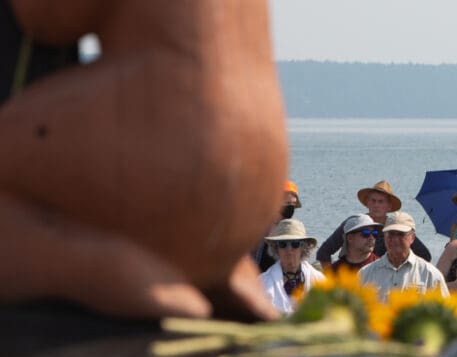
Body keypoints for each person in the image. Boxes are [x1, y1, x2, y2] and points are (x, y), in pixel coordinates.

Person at [0, 0, 285, 320]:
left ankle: (95, 266)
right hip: (258, 170)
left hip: (174, 134)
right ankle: (221, 269)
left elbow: (48, 18)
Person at [319, 180, 431, 268]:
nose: (376, 205)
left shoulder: (395, 228)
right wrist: (332, 278)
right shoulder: (354, 224)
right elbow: (323, 252)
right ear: (367, 203)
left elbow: (425, 255)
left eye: (381, 201)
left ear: (389, 206)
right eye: (373, 201)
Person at [359, 212, 448, 299]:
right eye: (391, 234)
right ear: (384, 236)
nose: (395, 240)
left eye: (401, 234)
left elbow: (444, 310)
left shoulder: (430, 275)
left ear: (412, 237)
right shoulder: (365, 274)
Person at [258, 219, 326, 315]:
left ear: (303, 247)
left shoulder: (319, 280)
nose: (289, 250)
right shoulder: (262, 283)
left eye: (295, 244)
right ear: (276, 248)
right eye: (283, 244)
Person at [253, 180, 304, 272]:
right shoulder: (259, 226)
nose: (291, 208)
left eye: (293, 204)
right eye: (288, 203)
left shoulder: (293, 229)